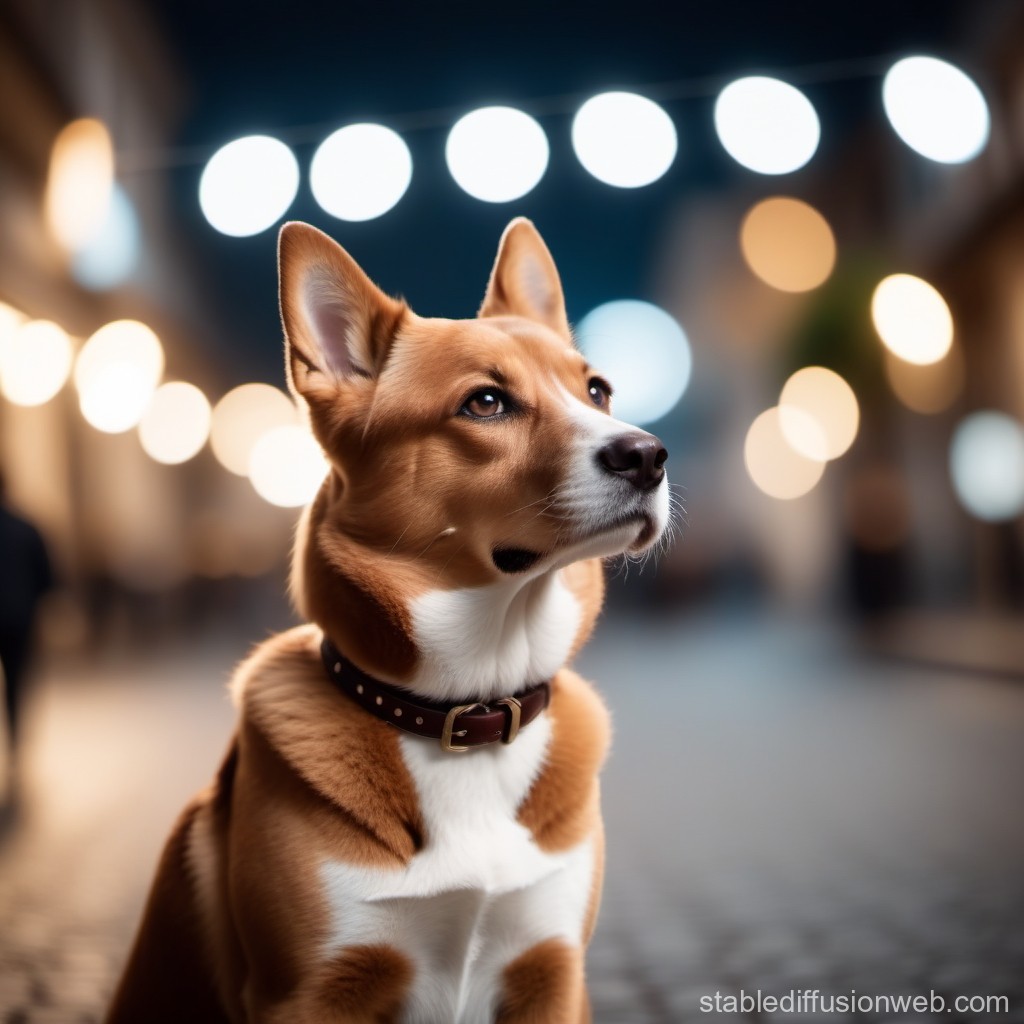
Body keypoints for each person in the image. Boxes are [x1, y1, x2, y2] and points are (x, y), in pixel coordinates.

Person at [0, 468, 54, 804]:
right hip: (18, 621)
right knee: (16, 686)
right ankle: (16, 747)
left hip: (18, 617)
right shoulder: (26, 528)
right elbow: (47, 577)